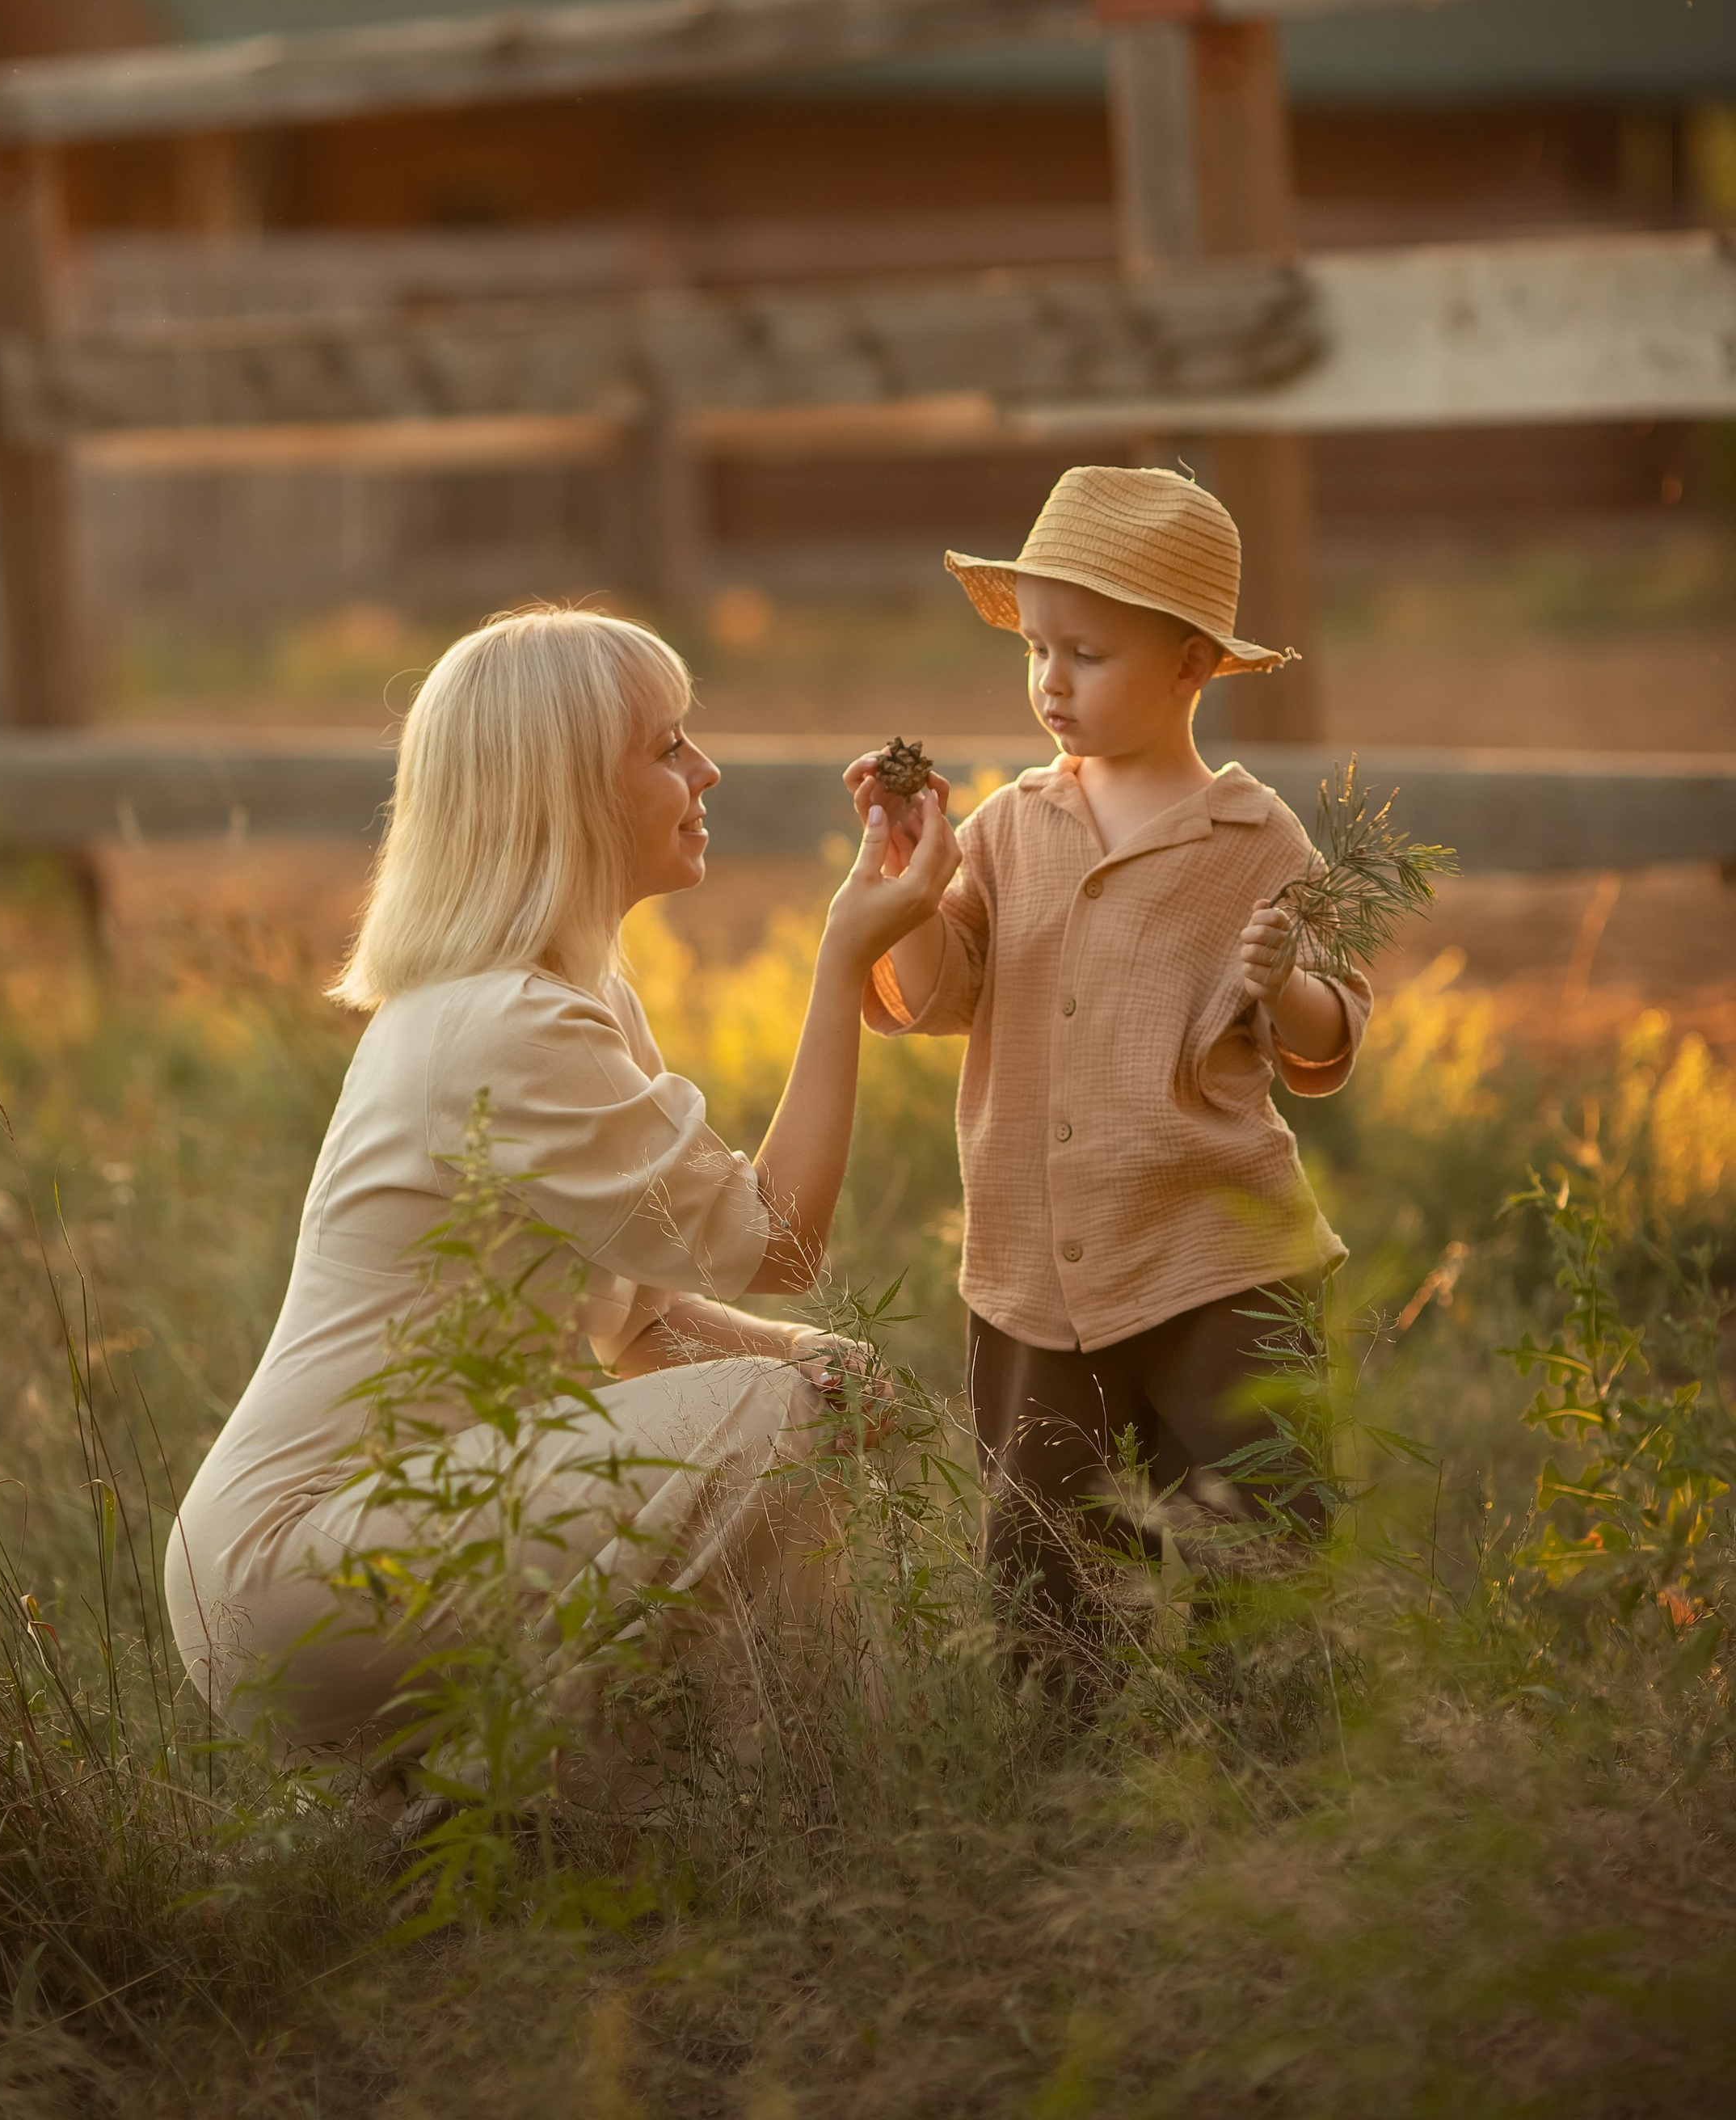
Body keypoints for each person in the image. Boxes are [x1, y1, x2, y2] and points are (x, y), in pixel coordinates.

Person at [165, 602, 959, 1758]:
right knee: (780, 1420)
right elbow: (777, 1243)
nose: (708, 769)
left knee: (798, 1394)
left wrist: (838, 1365)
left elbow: (641, 1325)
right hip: (299, 1566)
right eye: (668, 746)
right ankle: (817, 1793)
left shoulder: (555, 1003)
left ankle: (672, 1815)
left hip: (368, 1535)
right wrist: (842, 961)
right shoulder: (503, 1025)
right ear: (572, 792)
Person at [845, 464, 1370, 1621]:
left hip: (1219, 1265)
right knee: (1048, 1572)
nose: (1050, 681)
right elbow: (938, 997)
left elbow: (1335, 1028)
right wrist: (911, 884)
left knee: (1261, 1555)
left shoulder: (1252, 834)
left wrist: (1288, 988)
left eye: (1086, 653)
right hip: (1034, 1273)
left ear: (1191, 663)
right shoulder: (1009, 826)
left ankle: (1270, 1769)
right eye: (1035, 649)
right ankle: (1064, 1785)